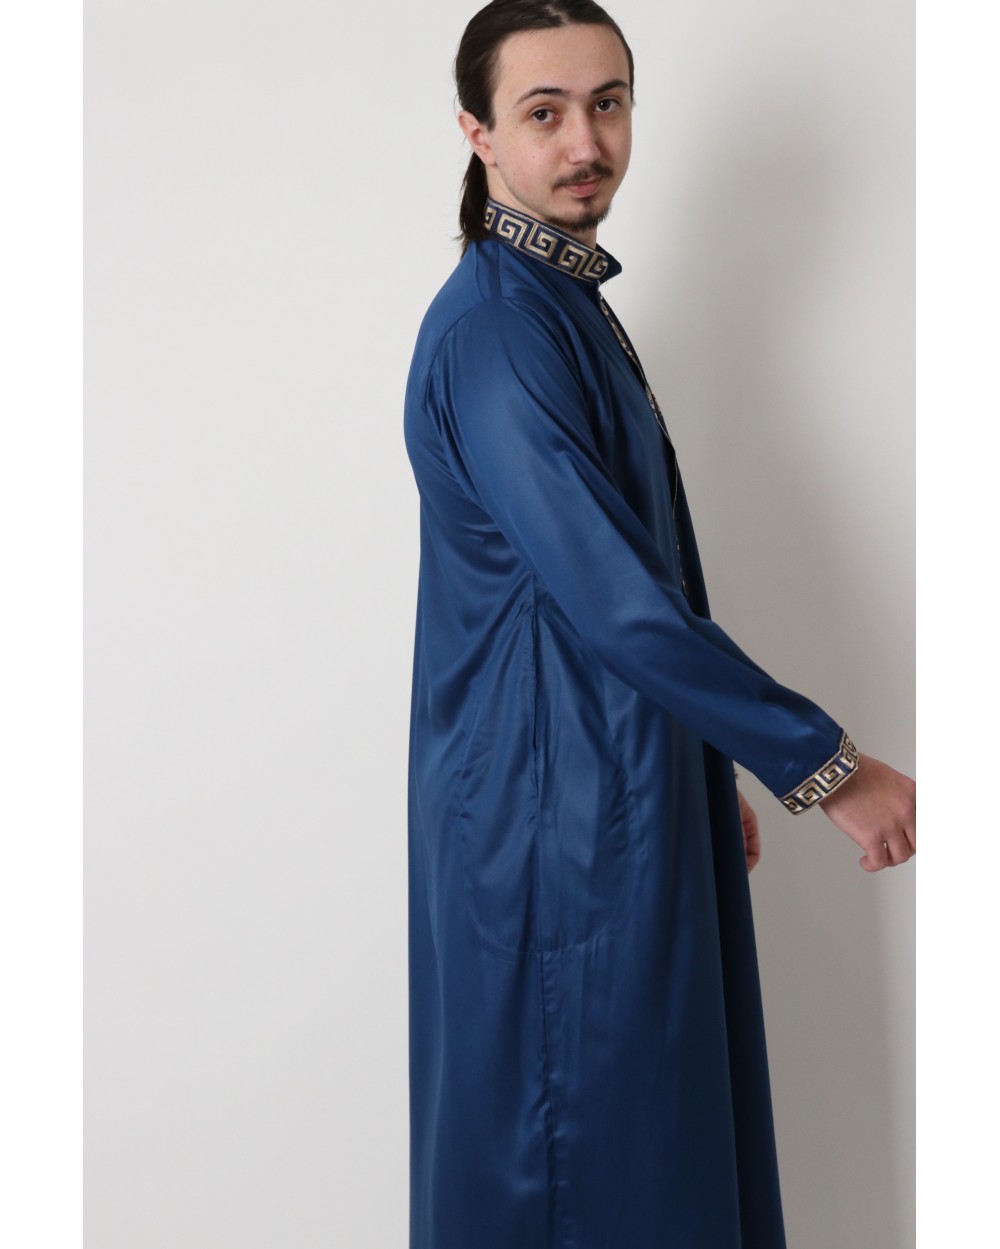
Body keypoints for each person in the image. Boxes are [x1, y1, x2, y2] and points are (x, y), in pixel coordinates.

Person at [402, 2, 915, 1246]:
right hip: (552, 831)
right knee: (584, 1169)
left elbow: (596, 594)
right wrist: (824, 765)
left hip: (603, 793)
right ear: (477, 132)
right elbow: (615, 597)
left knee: (659, 1161)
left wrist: (690, 758)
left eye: (608, 103)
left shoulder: (556, 301)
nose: (586, 141)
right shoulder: (498, 332)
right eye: (544, 112)